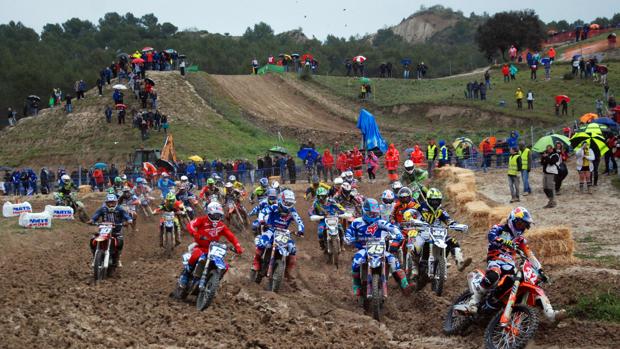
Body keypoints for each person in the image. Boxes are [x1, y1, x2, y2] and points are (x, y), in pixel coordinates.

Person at [465, 207, 562, 321]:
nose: (522, 227)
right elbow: (491, 236)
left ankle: (550, 313)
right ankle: (474, 301)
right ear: (513, 220)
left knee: (529, 283)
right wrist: (502, 241)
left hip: (510, 267)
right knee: (494, 275)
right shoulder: (500, 228)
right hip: (496, 260)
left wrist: (540, 270)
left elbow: (530, 255)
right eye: (520, 224)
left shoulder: (520, 240)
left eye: (524, 225)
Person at [345, 198, 413, 296]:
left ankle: (405, 285)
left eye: (375, 213)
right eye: (371, 213)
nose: (373, 216)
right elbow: (349, 232)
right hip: (364, 249)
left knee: (394, 260)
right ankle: (357, 284)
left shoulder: (380, 222)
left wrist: (398, 234)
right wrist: (349, 238)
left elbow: (392, 227)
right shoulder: (357, 222)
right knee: (356, 261)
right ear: (364, 211)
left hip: (379, 248)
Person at [175, 202, 243, 295]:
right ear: (209, 213)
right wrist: (195, 234)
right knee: (196, 255)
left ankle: (213, 282)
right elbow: (190, 225)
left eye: (218, 215)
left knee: (225, 266)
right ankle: (185, 276)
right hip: (200, 247)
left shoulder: (221, 225)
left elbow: (231, 236)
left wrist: (237, 246)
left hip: (213, 249)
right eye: (214, 215)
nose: (216, 217)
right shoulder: (202, 220)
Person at [412, 188, 472, 274]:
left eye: (437, 201)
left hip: (437, 232)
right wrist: (410, 218)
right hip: (423, 231)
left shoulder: (441, 210)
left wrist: (457, 225)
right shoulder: (420, 206)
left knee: (453, 241)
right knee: (417, 245)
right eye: (433, 201)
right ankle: (415, 266)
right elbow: (411, 212)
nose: (435, 203)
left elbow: (449, 220)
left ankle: (460, 262)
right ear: (428, 199)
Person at [251, 190, 304, 279]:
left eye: (290, 202)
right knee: (262, 243)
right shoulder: (274, 207)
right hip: (271, 230)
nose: (288, 204)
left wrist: (301, 230)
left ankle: (287, 272)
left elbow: (299, 221)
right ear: (282, 200)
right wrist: (261, 220)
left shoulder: (292, 210)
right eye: (287, 202)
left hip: (284, 233)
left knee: (292, 250)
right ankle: (256, 263)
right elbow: (262, 212)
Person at [89, 194, 133, 267]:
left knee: (120, 242)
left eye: (113, 202)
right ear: (106, 203)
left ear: (116, 202)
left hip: (116, 230)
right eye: (109, 202)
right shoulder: (102, 209)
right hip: (103, 230)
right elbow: (95, 216)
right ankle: (94, 257)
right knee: (93, 240)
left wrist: (128, 221)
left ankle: (118, 258)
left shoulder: (120, 209)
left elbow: (127, 216)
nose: (111, 204)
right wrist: (92, 220)